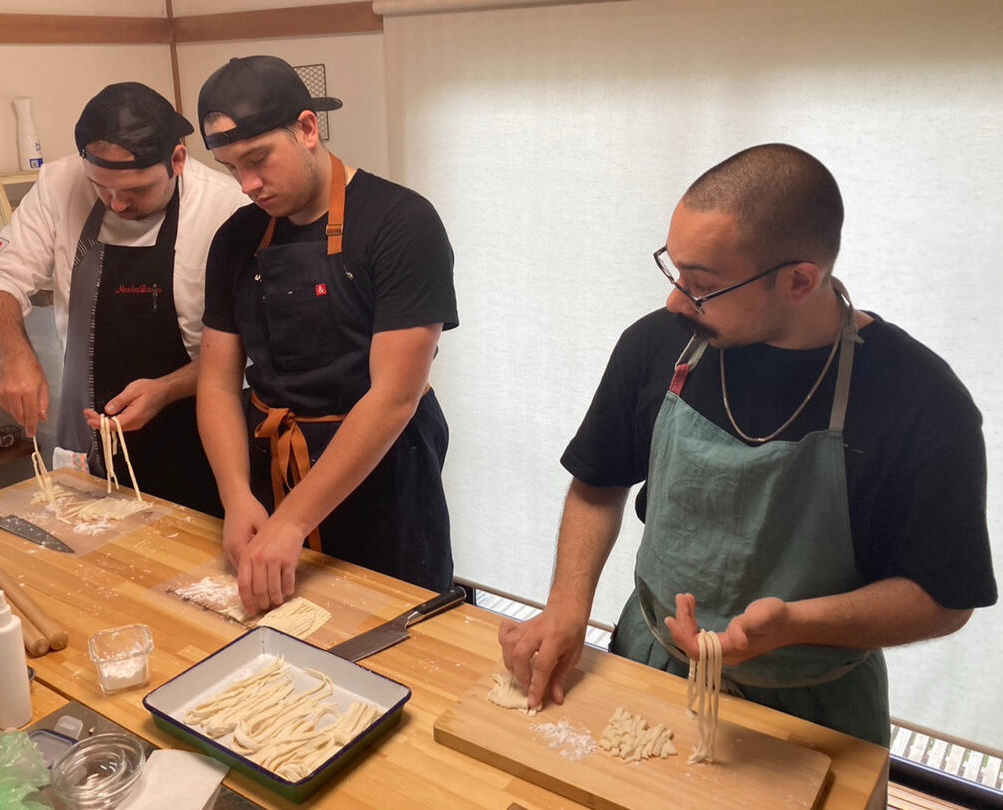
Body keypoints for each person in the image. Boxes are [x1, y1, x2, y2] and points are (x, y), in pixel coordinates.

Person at [498, 143, 997, 746]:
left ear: (799, 280)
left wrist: (795, 624)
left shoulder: (922, 401)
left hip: (812, 706)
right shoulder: (657, 345)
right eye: (674, 269)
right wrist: (567, 603)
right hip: (649, 665)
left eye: (703, 284)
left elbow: (942, 599)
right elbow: (598, 483)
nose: (676, 300)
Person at [196, 55, 459, 614]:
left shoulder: (401, 224)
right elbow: (217, 383)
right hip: (271, 464)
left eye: (258, 159)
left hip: (380, 472)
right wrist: (236, 495)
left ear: (308, 128)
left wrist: (293, 520)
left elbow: (394, 397)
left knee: (391, 635)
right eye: (230, 169)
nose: (248, 185)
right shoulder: (236, 239)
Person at [0, 82, 246, 516]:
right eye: (101, 187)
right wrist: (11, 355)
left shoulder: (227, 208)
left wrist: (167, 389)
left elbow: (251, 349)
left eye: (136, 191)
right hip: (91, 437)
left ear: (178, 159)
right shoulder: (59, 184)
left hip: (203, 434)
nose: (116, 204)